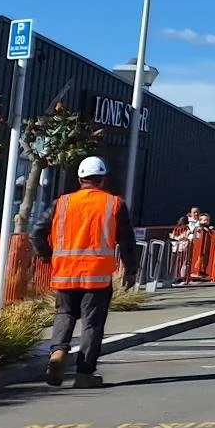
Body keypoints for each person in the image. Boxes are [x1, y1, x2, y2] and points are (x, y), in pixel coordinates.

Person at [31, 156, 138, 389]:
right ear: (103, 179)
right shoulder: (114, 204)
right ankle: (84, 374)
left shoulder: (62, 203)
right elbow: (127, 241)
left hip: (65, 271)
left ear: (80, 179)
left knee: (65, 313)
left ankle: (58, 352)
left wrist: (47, 256)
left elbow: (37, 232)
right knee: (92, 323)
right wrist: (131, 270)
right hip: (97, 275)